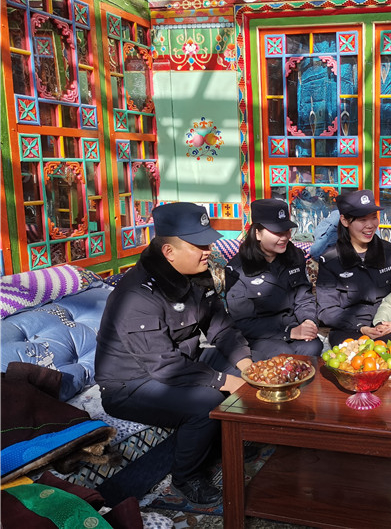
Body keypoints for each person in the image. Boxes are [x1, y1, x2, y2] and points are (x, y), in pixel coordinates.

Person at [95, 202, 253, 507]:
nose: (208, 251)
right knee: (206, 401)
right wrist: (223, 381)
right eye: (199, 245)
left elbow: (220, 326)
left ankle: (227, 442)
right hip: (131, 383)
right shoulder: (137, 296)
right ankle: (186, 478)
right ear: (169, 252)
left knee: (244, 365)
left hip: (179, 363)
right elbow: (164, 366)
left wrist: (245, 364)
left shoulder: (196, 274)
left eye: (208, 243)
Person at [224, 199, 322, 360]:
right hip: (259, 334)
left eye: (287, 230)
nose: (285, 237)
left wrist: (308, 321)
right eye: (277, 232)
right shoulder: (238, 269)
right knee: (281, 353)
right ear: (257, 233)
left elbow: (303, 298)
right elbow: (243, 322)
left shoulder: (295, 256)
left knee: (312, 346)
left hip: (292, 325)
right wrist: (289, 332)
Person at [316, 189, 391, 347]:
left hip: (385, 326)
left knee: (385, 352)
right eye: (362, 220)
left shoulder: (390, 253)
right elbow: (327, 310)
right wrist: (360, 327)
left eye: (373, 217)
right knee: (352, 356)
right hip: (348, 328)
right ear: (345, 221)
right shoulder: (331, 260)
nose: (370, 225)